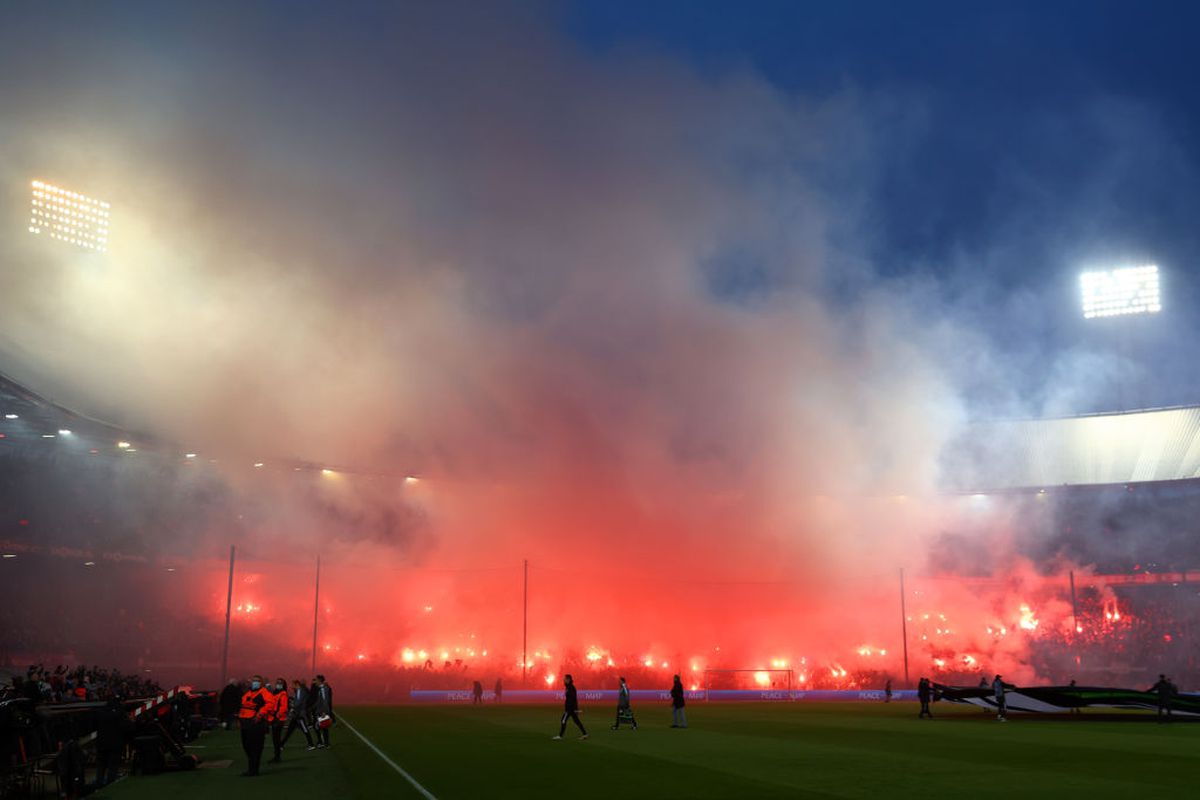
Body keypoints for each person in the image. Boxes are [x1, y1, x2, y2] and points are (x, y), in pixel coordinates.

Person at [238, 674, 274, 776]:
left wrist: (260, 713)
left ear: (261, 683)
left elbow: (270, 704)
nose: (255, 682)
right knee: (247, 746)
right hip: (246, 724)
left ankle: (253, 770)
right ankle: (252, 768)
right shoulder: (248, 693)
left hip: (256, 724)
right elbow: (243, 706)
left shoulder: (264, 693)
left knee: (255, 748)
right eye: (254, 680)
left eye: (257, 681)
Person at [281, 678, 316, 750]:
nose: (291, 686)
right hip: (297, 715)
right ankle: (281, 744)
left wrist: (292, 706)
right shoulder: (299, 691)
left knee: (304, 729)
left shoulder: (300, 691)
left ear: (296, 684)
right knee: (290, 730)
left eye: (293, 684)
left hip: (299, 715)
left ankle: (311, 744)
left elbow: (298, 702)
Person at [552, 674, 588, 740]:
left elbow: (572, 699)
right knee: (576, 721)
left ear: (568, 679)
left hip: (570, 709)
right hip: (571, 708)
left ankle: (560, 736)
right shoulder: (568, 687)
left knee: (563, 720)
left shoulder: (570, 688)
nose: (564, 680)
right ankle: (585, 734)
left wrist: (570, 708)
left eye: (565, 679)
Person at [268, 678, 288, 763]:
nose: (278, 684)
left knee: (276, 739)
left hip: (278, 719)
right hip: (274, 718)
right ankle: (276, 756)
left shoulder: (283, 693)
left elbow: (284, 707)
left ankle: (277, 757)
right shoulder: (275, 692)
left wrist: (277, 714)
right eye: (277, 683)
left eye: (280, 683)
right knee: (275, 739)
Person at [313, 674, 334, 747]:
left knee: (322, 727)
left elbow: (325, 701)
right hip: (320, 711)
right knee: (321, 727)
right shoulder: (321, 689)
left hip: (322, 712)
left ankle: (324, 743)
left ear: (319, 680)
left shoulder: (323, 689)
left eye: (316, 680)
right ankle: (324, 742)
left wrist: (324, 712)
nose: (315, 681)